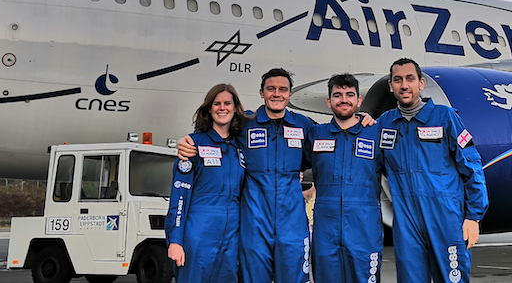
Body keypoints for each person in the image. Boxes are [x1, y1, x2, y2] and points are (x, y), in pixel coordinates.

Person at [178, 68, 316, 283]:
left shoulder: (304, 125)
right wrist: (188, 141)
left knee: (294, 277)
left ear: (290, 94)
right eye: (271, 89)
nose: (276, 94)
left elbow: (333, 143)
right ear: (261, 93)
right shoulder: (244, 123)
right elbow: (215, 134)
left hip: (292, 219)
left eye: (283, 89)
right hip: (254, 218)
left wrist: (362, 119)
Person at [378, 58, 489, 283]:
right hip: (407, 223)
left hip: (446, 220)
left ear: (421, 83)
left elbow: (471, 166)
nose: (404, 85)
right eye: (398, 80)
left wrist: (472, 217)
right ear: (391, 86)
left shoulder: (445, 117)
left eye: (410, 79)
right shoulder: (384, 124)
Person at [303, 74, 384, 283]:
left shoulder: (376, 133)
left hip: (364, 228)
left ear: (359, 101)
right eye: (337, 95)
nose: (344, 99)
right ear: (329, 101)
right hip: (325, 230)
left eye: (350, 94)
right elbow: (290, 168)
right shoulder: (316, 135)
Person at [165, 83, 248, 282]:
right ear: (209, 109)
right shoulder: (193, 145)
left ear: (235, 108)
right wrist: (175, 240)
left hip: (232, 235)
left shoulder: (241, 146)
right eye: (217, 103)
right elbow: (179, 196)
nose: (222, 108)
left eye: (227, 103)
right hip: (199, 232)